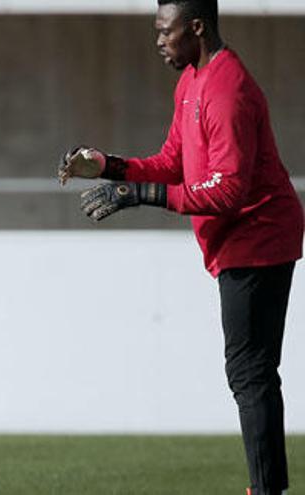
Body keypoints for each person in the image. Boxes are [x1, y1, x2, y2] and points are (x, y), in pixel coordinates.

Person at [58, 1, 303, 494]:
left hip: (259, 236)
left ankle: (268, 489)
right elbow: (173, 161)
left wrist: (139, 196)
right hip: (238, 240)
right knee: (249, 371)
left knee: (250, 372)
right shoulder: (191, 81)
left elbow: (230, 192)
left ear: (196, 27)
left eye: (165, 31)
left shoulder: (228, 89)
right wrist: (108, 166)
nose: (158, 41)